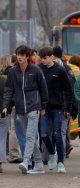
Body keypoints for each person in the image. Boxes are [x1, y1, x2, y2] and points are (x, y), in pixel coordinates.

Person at [2, 45, 48, 174]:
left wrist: (43, 106)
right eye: (18, 54)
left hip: (34, 107)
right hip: (20, 108)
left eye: (22, 55)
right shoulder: (12, 71)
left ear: (27, 56)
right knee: (29, 138)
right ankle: (38, 164)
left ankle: (27, 161)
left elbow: (43, 89)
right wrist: (5, 106)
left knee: (30, 135)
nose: (20, 57)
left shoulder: (36, 70)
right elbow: (9, 90)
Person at [38, 47, 73, 173]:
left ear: (51, 56)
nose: (43, 60)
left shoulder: (60, 70)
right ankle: (52, 153)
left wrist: (67, 107)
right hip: (43, 108)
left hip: (57, 107)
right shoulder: (38, 69)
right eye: (41, 58)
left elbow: (68, 89)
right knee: (43, 133)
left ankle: (60, 162)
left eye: (45, 58)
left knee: (58, 134)